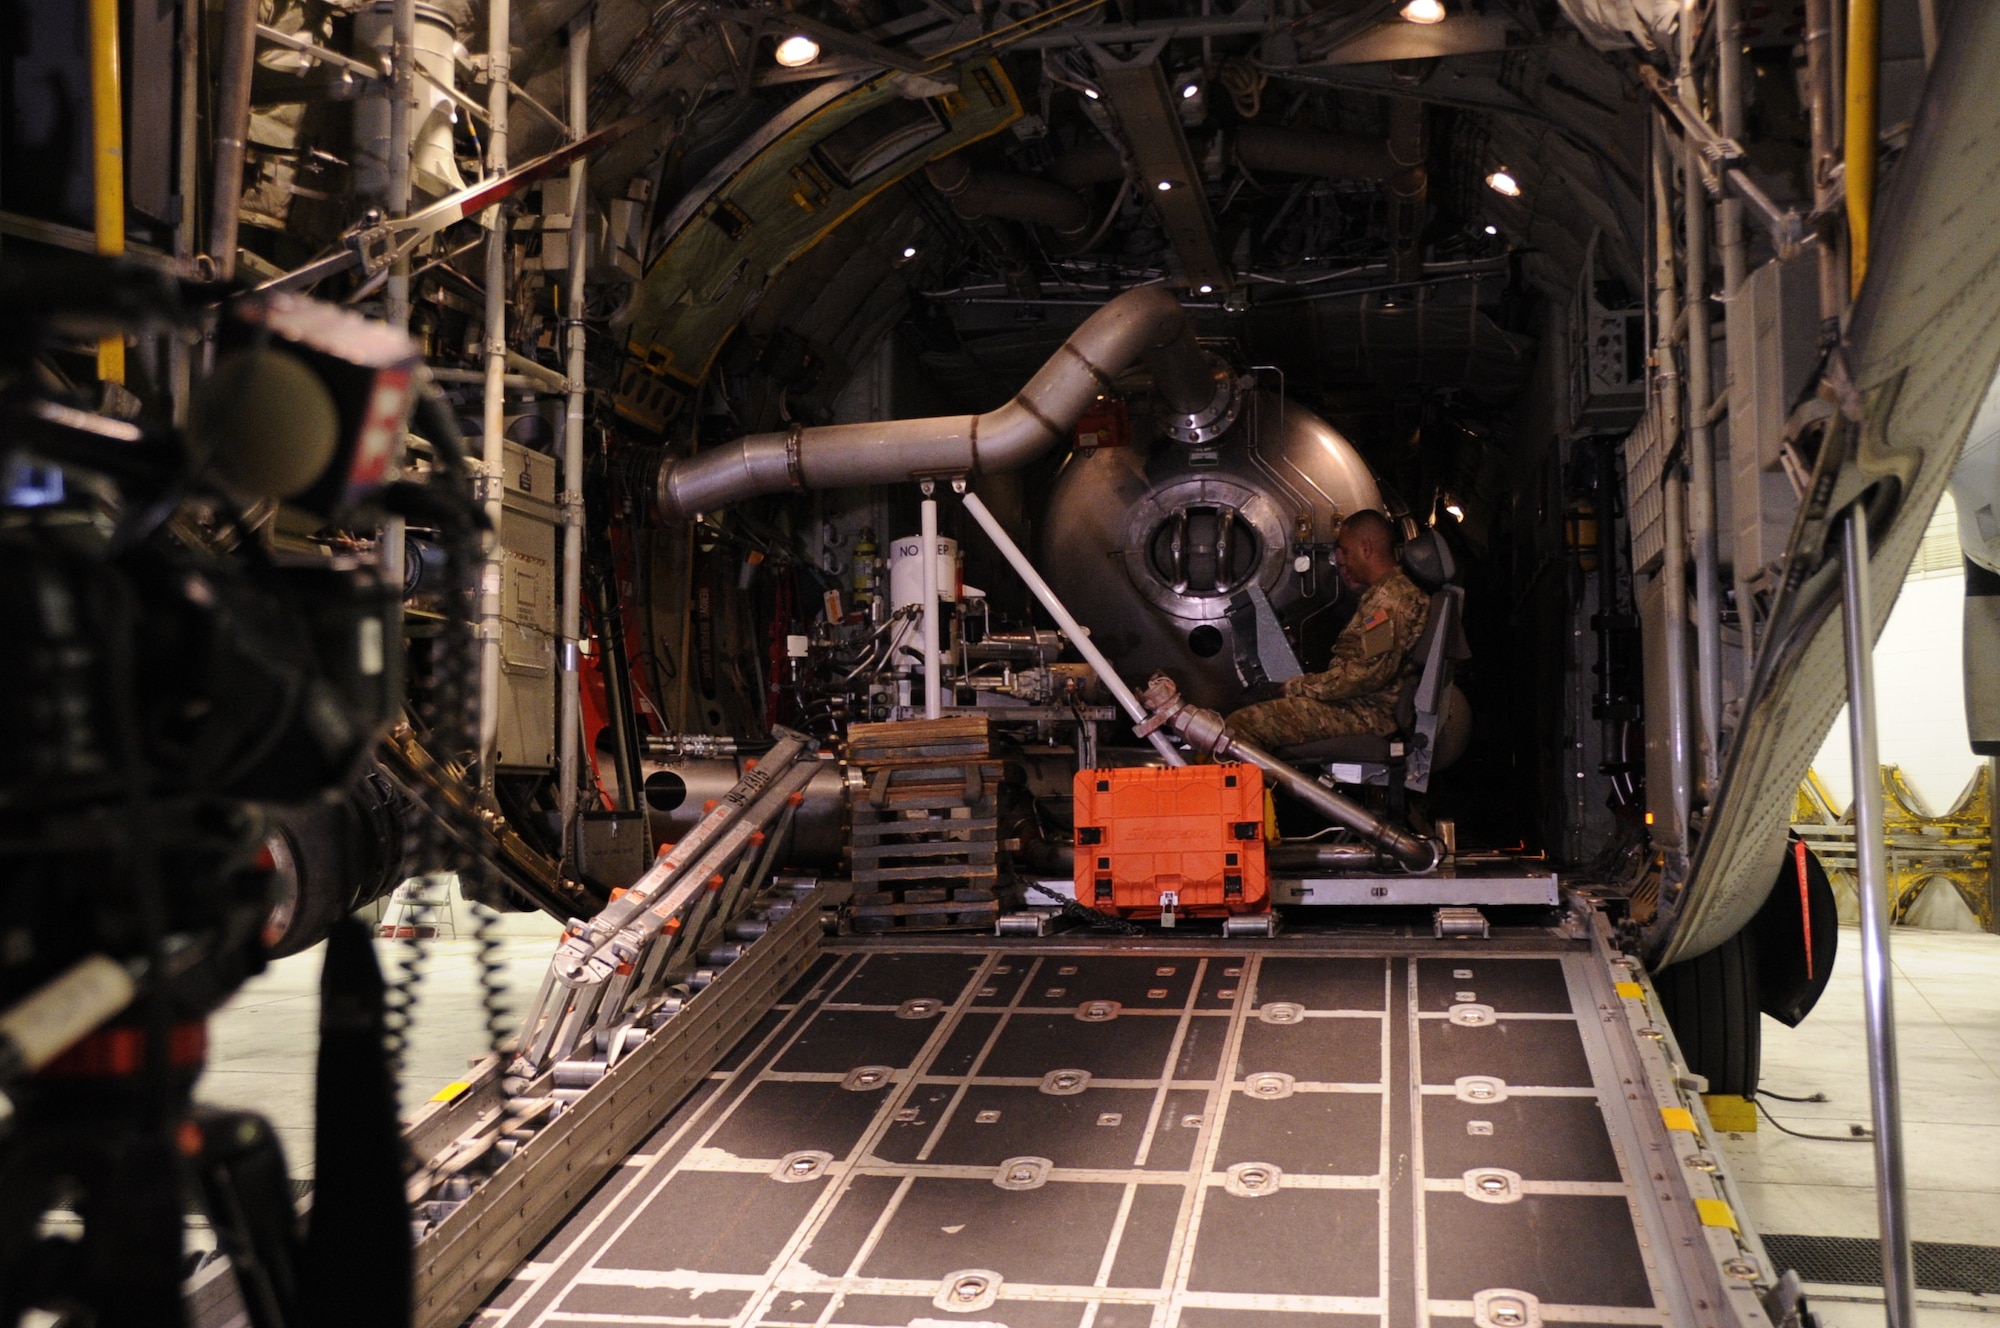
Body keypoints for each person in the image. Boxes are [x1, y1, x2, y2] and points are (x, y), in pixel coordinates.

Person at [1225, 509, 1430, 751]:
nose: (1341, 559)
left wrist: (1294, 687)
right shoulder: (1385, 595)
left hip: (1365, 714)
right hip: (1356, 705)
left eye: (1346, 549)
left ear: (1365, 548)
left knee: (1241, 725)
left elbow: (1365, 674)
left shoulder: (1391, 601)